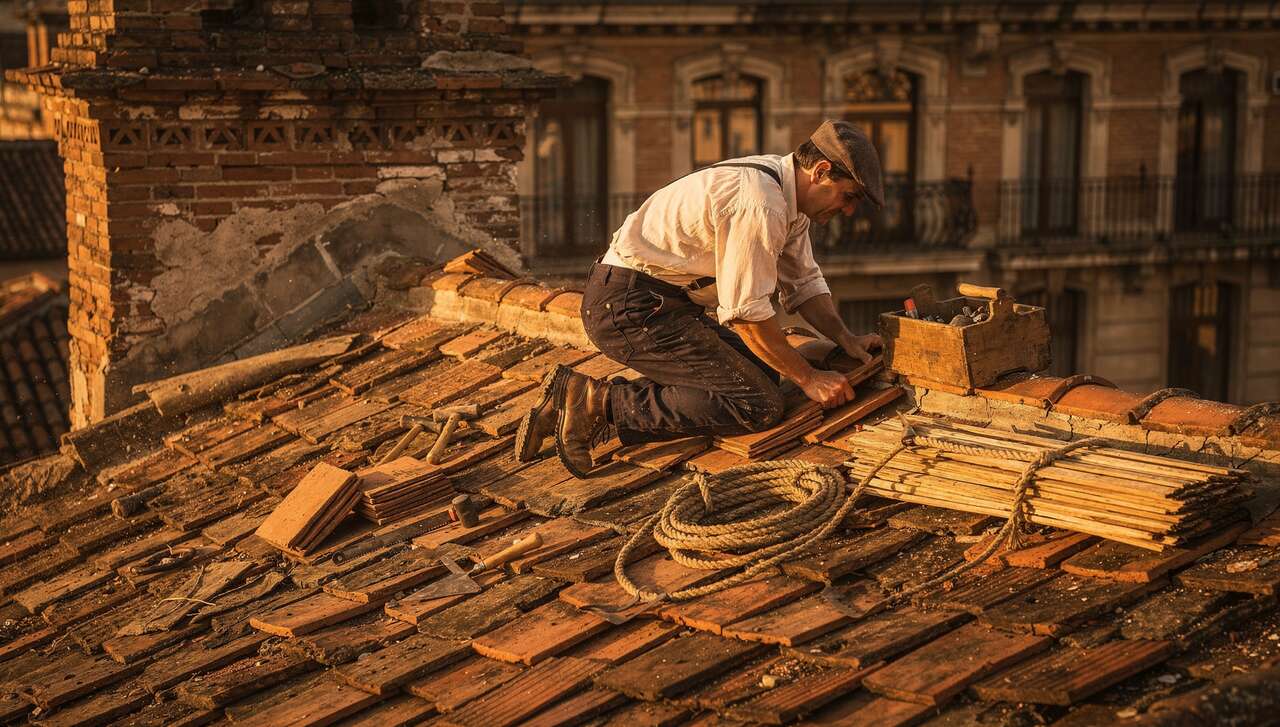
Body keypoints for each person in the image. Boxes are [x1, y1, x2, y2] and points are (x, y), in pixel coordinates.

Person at [517, 119, 887, 478]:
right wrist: (808, 378)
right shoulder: (761, 203)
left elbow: (803, 283)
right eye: (849, 196)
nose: (849, 210)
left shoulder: (787, 199)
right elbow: (745, 314)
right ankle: (598, 404)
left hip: (660, 305)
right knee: (757, 404)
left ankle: (579, 398)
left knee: (764, 373)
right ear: (821, 171)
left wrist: (846, 339)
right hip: (630, 309)